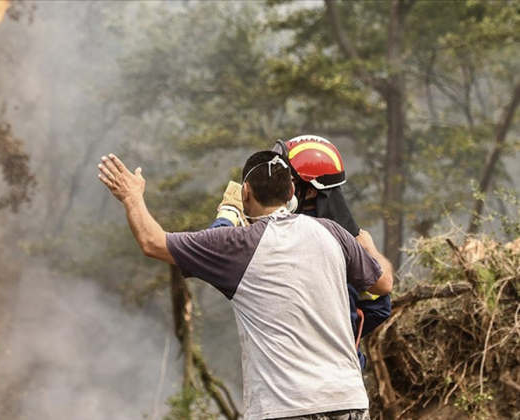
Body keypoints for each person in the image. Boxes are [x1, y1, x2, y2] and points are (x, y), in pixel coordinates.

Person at [98, 149, 393, 420]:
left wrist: (131, 196)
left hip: (286, 409)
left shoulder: (237, 245)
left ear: (246, 193)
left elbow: (152, 242)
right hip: (350, 401)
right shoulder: (332, 232)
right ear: (291, 192)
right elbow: (383, 284)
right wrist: (367, 245)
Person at [213, 136, 391, 369]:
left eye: (285, 180)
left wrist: (229, 214)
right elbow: (380, 306)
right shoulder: (347, 242)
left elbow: (219, 247)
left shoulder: (288, 240)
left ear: (307, 193)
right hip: (343, 377)